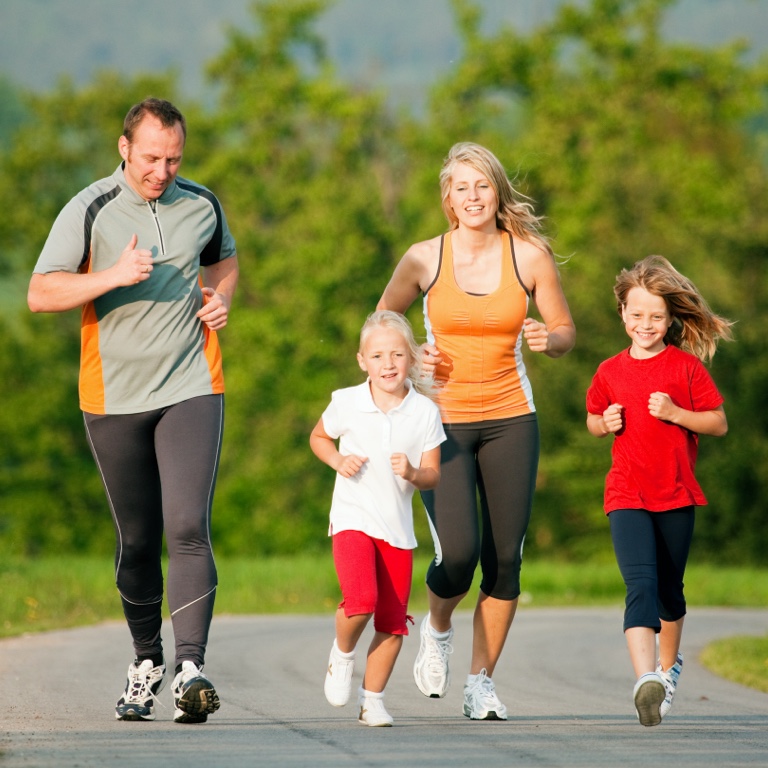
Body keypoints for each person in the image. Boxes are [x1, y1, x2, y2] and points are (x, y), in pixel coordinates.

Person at [27, 97, 239, 724]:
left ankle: (191, 669)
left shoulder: (201, 203)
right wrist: (112, 275)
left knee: (187, 525)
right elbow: (41, 291)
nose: (162, 170)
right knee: (139, 539)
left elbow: (223, 258)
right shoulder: (89, 208)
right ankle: (147, 662)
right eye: (151, 157)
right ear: (125, 148)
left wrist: (221, 298)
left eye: (173, 158)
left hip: (190, 384)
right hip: (113, 395)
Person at [377, 142, 575, 720]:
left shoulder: (529, 256)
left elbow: (564, 329)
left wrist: (549, 339)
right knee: (458, 555)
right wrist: (413, 360)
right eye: (461, 188)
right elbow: (381, 330)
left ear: (497, 193)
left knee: (505, 560)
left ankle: (480, 682)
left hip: (512, 417)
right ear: (448, 198)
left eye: (482, 186)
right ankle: (437, 627)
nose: (472, 197)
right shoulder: (423, 259)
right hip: (441, 424)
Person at [586, 255, 732, 727]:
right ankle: (645, 679)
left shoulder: (685, 369)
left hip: (675, 494)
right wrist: (602, 423)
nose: (645, 323)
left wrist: (676, 414)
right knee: (641, 587)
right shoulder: (609, 371)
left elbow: (717, 423)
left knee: (670, 592)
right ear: (623, 314)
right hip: (626, 493)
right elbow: (592, 418)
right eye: (636, 314)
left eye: (655, 316)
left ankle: (667, 671)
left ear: (669, 320)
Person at [310, 310, 447, 726]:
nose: (388, 364)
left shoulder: (425, 411)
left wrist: (411, 472)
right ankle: (342, 654)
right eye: (378, 356)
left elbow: (433, 475)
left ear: (412, 359)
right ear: (362, 361)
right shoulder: (346, 401)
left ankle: (373, 701)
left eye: (397, 355)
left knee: (392, 621)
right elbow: (318, 437)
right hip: (352, 517)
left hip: (397, 529)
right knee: (361, 601)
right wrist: (337, 459)